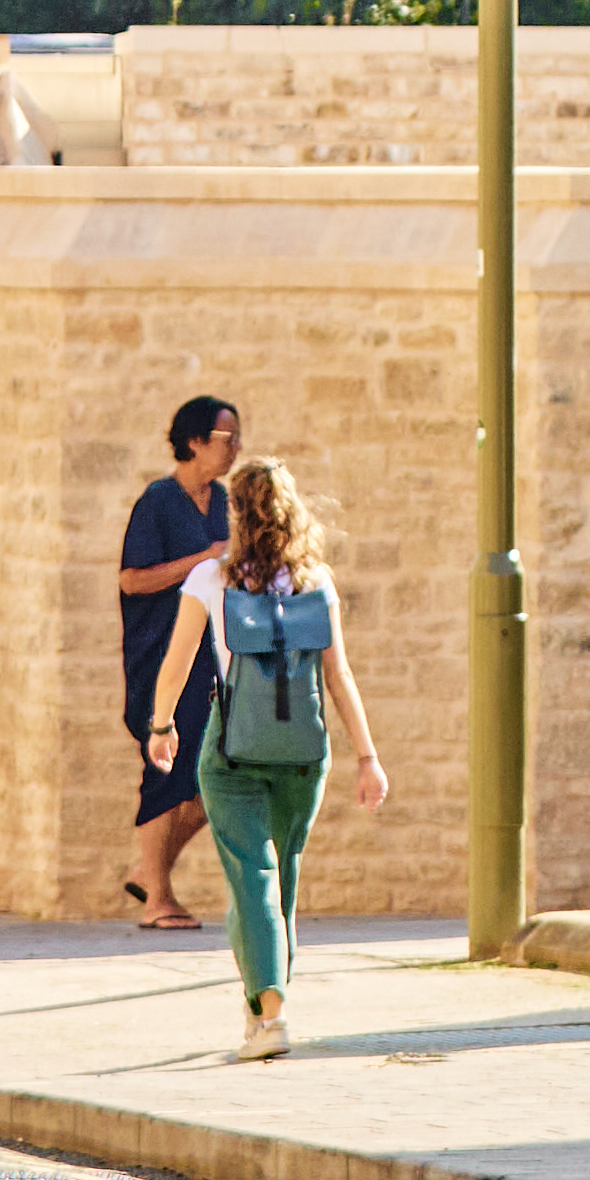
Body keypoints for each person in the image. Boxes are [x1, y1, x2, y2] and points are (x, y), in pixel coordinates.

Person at [185, 454, 385, 1054]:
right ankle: (262, 1013)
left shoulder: (210, 579)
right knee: (281, 881)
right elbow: (339, 675)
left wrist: (161, 723)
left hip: (234, 752)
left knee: (252, 880)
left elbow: (176, 664)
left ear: (236, 513)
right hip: (305, 752)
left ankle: (269, 1018)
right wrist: (367, 757)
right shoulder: (316, 582)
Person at [99, 398, 240, 931]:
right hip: (160, 655)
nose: (235, 449)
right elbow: (132, 579)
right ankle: (158, 896)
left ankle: (148, 870)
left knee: (218, 773)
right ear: (195, 441)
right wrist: (203, 560)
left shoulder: (222, 500)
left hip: (213, 656)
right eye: (227, 438)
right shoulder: (157, 502)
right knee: (166, 770)